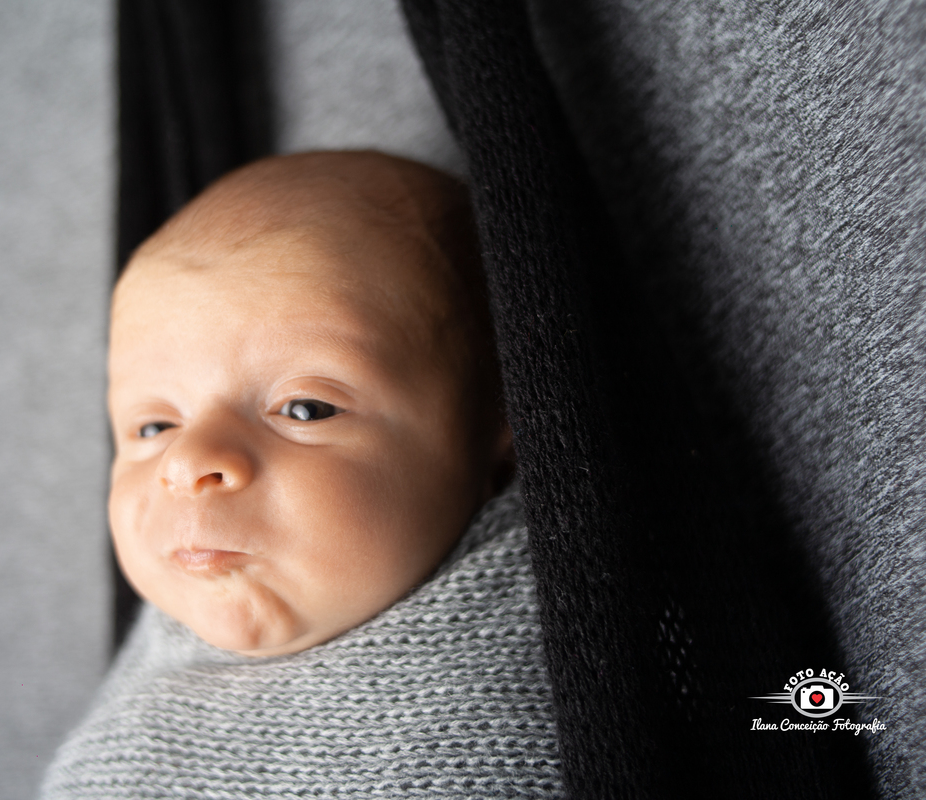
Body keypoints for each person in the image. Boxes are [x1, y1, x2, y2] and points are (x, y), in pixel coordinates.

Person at [40, 151, 564, 798]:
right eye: (153, 427)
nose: (187, 463)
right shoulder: (159, 661)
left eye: (304, 409)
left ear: (503, 438)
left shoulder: (552, 676)